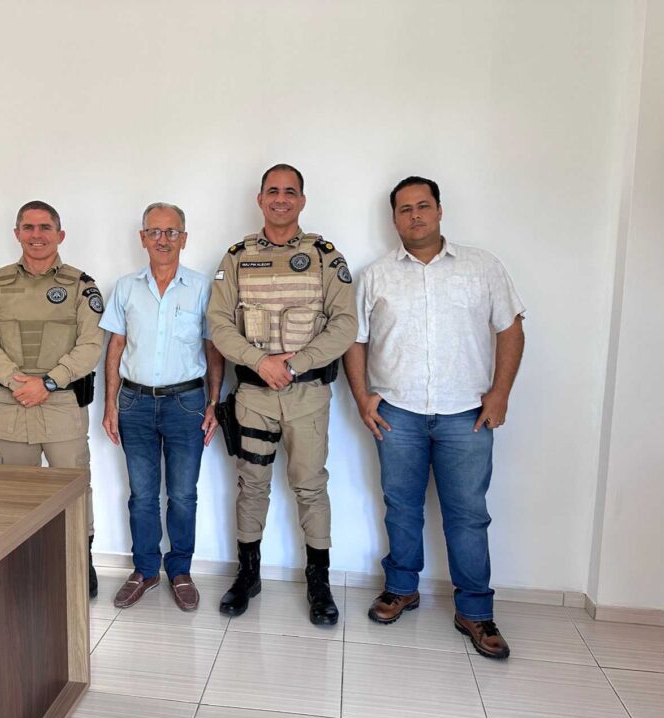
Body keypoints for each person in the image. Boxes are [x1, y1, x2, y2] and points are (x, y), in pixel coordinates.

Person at [343, 176, 525, 659]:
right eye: (405, 209)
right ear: (394, 219)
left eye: (423, 206)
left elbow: (510, 328)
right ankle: (401, 588)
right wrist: (362, 398)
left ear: (440, 211)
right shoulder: (376, 275)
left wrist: (500, 394)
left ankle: (475, 610)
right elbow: (354, 340)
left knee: (468, 515)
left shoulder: (482, 267)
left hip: (467, 415)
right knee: (401, 507)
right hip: (396, 414)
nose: (415, 215)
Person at [207, 164, 357, 625]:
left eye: (290, 192)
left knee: (310, 486)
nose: (281, 198)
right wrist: (260, 362)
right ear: (260, 199)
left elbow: (345, 325)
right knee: (251, 485)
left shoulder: (324, 256)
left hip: (306, 394)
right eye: (273, 191)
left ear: (302, 201)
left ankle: (319, 582)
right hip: (252, 395)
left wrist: (292, 364)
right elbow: (218, 324)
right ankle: (247, 574)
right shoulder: (237, 257)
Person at [0, 200, 104, 597]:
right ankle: (20, 566)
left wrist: (47, 382)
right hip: (13, 403)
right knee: (15, 493)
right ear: (17, 234)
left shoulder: (81, 285)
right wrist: (18, 382)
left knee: (74, 489)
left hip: (61, 404)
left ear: (60, 235)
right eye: (28, 227)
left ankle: (81, 561)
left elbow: (91, 345)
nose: (37, 235)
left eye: (45, 227)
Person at [100, 202, 223, 611]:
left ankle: (181, 570)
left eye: (171, 232)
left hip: (187, 403)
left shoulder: (202, 288)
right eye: (154, 231)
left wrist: (213, 402)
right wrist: (110, 404)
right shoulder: (126, 287)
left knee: (183, 495)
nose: (163, 239)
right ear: (143, 238)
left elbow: (213, 348)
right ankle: (146, 569)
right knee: (142, 495)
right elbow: (115, 346)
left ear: (184, 238)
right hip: (134, 403)